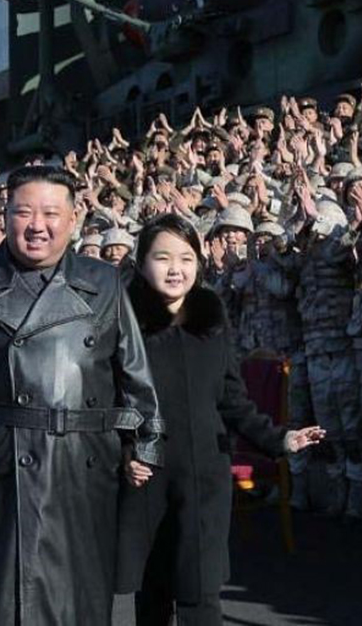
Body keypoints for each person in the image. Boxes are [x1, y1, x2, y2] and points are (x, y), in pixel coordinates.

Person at [0, 165, 165, 626]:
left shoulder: (105, 281)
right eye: (24, 211)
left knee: (81, 606)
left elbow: (133, 372)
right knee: (3, 605)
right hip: (4, 469)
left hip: (85, 468)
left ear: (73, 219)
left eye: (51, 212)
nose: (37, 225)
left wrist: (144, 444)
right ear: (4, 215)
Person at [117, 214, 324, 625]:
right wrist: (124, 452)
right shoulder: (121, 326)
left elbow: (233, 401)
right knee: (153, 592)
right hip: (146, 477)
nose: (175, 269)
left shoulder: (213, 322)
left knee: (201, 591)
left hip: (205, 477)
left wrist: (280, 439)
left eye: (186, 258)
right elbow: (107, 401)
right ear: (141, 264)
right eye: (162, 258)